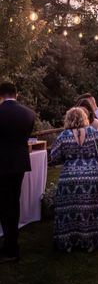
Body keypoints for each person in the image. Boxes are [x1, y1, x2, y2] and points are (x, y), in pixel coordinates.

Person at [50, 107, 98, 252]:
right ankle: (90, 242)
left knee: (68, 211)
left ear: (68, 119)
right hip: (92, 176)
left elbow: (54, 157)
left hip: (69, 177)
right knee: (91, 210)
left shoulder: (63, 136)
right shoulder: (93, 132)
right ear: (84, 118)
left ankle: (68, 243)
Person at [0, 82, 36, 262]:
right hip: (20, 163)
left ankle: (10, 248)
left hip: (2, 164)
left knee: (5, 205)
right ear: (17, 94)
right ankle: (12, 244)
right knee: (13, 202)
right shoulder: (29, 113)